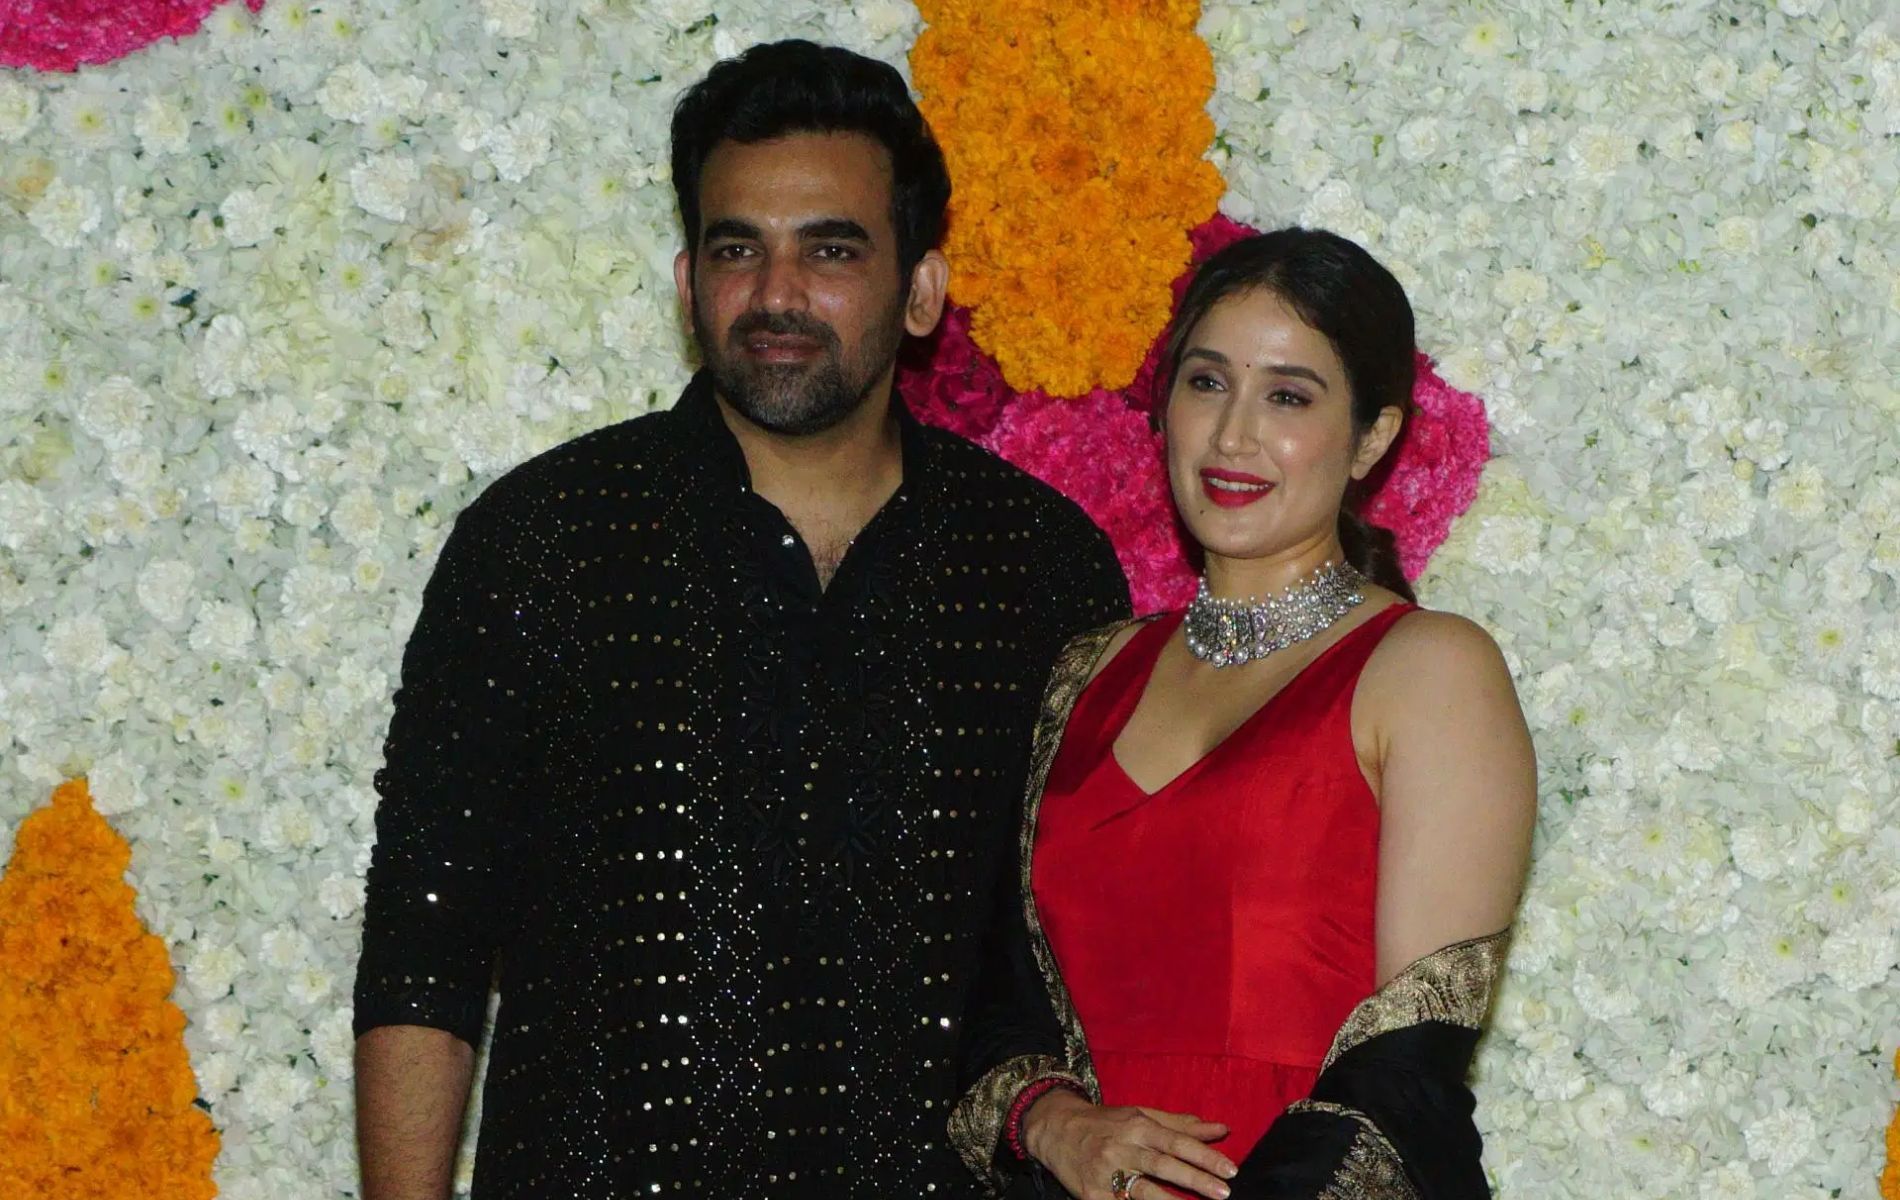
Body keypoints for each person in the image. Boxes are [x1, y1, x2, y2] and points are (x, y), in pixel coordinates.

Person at [351, 40, 1130, 1199]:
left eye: (830, 250)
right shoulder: (543, 542)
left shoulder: (1038, 570)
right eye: (737, 250)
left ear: (921, 289)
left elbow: (1067, 963)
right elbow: (428, 937)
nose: (776, 296)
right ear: (686, 283)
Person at [949, 229, 1537, 1200]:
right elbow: (988, 990)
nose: (1232, 436)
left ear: (1374, 436)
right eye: (1207, 382)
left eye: (1288, 396)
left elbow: (1407, 1073)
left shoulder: (1428, 671)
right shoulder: (1084, 676)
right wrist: (1052, 1123)